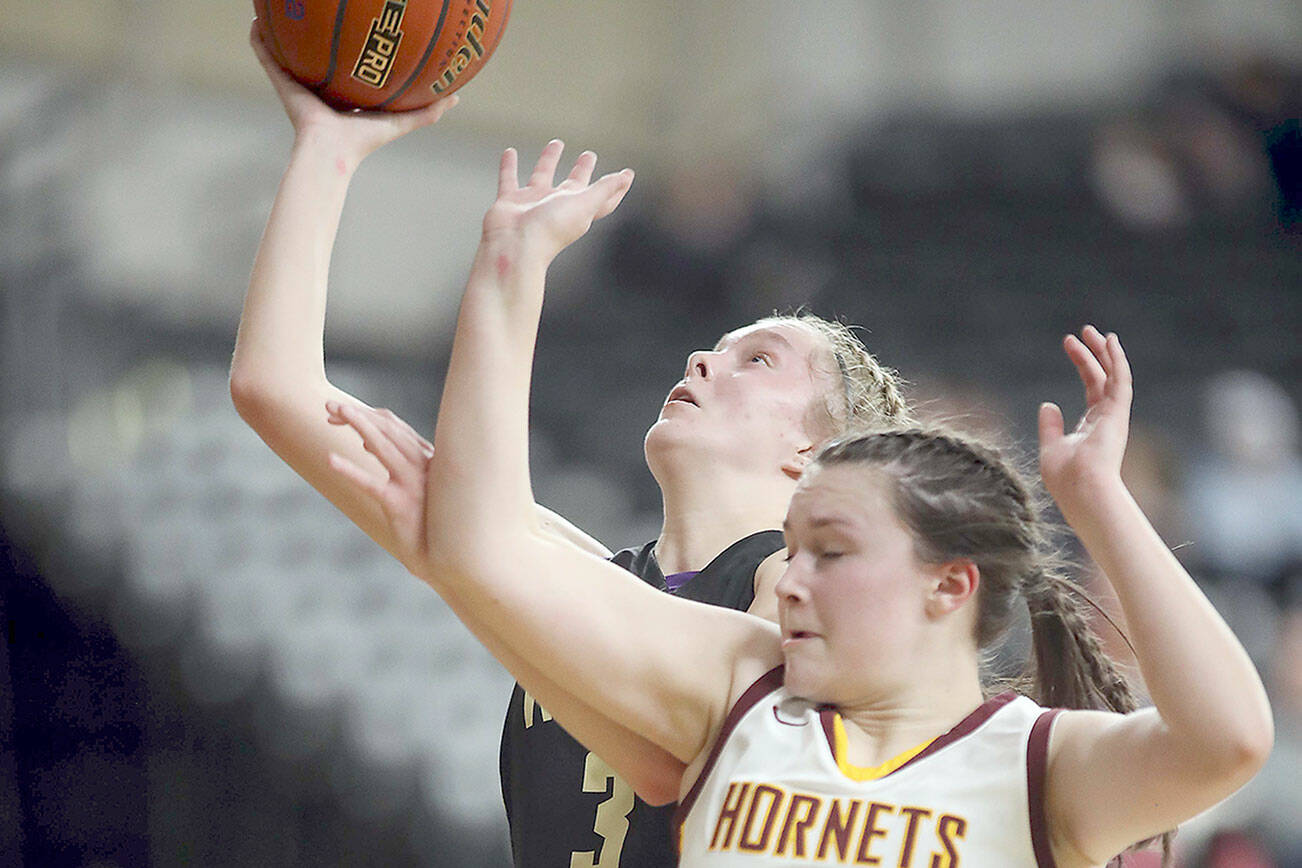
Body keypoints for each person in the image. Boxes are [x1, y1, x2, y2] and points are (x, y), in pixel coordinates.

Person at [325, 135, 1275, 866]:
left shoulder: (1029, 768)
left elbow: (1230, 737)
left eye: (830, 552)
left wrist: (1102, 504)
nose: (792, 581)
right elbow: (478, 543)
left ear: (946, 587)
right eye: (800, 549)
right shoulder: (737, 711)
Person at [230, 25, 911, 867]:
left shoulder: (798, 591)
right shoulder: (565, 568)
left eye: (757, 359)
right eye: (717, 345)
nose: (703, 357)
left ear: (815, 456)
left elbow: (672, 767)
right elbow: (276, 390)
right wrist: (328, 152)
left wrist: (512, 276)